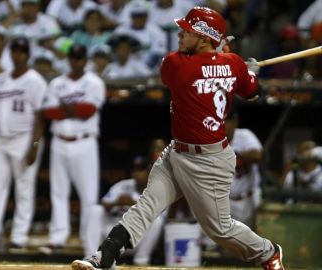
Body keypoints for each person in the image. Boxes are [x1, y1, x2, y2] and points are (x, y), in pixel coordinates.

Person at [71, 7, 285, 270]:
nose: (180, 35)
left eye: (187, 32)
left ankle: (267, 252)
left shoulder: (177, 65)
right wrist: (246, 70)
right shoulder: (232, 64)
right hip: (177, 152)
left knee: (219, 229)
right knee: (147, 204)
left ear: (205, 38)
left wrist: (229, 61)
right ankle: (105, 256)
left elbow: (197, 66)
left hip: (210, 160)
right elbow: (251, 92)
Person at [0, 36, 47, 252]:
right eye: (15, 51)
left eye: (22, 51)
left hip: (24, 138)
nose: (18, 55)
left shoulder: (35, 80)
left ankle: (19, 238)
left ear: (28, 55)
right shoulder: (0, 80)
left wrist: (34, 145)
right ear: (11, 54)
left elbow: (40, 117)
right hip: (1, 140)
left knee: (24, 188)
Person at [39, 44, 106, 255]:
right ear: (69, 59)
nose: (76, 61)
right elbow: (49, 112)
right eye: (73, 58)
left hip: (84, 142)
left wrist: (65, 109)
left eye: (80, 58)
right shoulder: (57, 83)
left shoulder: (94, 82)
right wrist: (73, 110)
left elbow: (89, 110)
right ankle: (57, 238)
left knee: (88, 196)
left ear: (85, 60)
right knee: (58, 193)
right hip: (59, 142)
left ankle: (89, 242)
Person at [84, 156, 165, 265]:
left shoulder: (155, 189)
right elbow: (103, 203)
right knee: (95, 210)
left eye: (141, 170)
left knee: (157, 220)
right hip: (112, 236)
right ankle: (90, 257)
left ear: (149, 171)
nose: (137, 173)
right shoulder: (123, 185)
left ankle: (141, 260)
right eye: (135, 170)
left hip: (135, 239)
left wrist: (133, 202)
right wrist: (116, 202)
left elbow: (163, 214)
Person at [225, 109, 263, 229]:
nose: (223, 124)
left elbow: (257, 155)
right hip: (224, 202)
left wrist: (235, 156)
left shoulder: (243, 135)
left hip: (246, 200)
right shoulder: (212, 140)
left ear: (235, 122)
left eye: (227, 121)